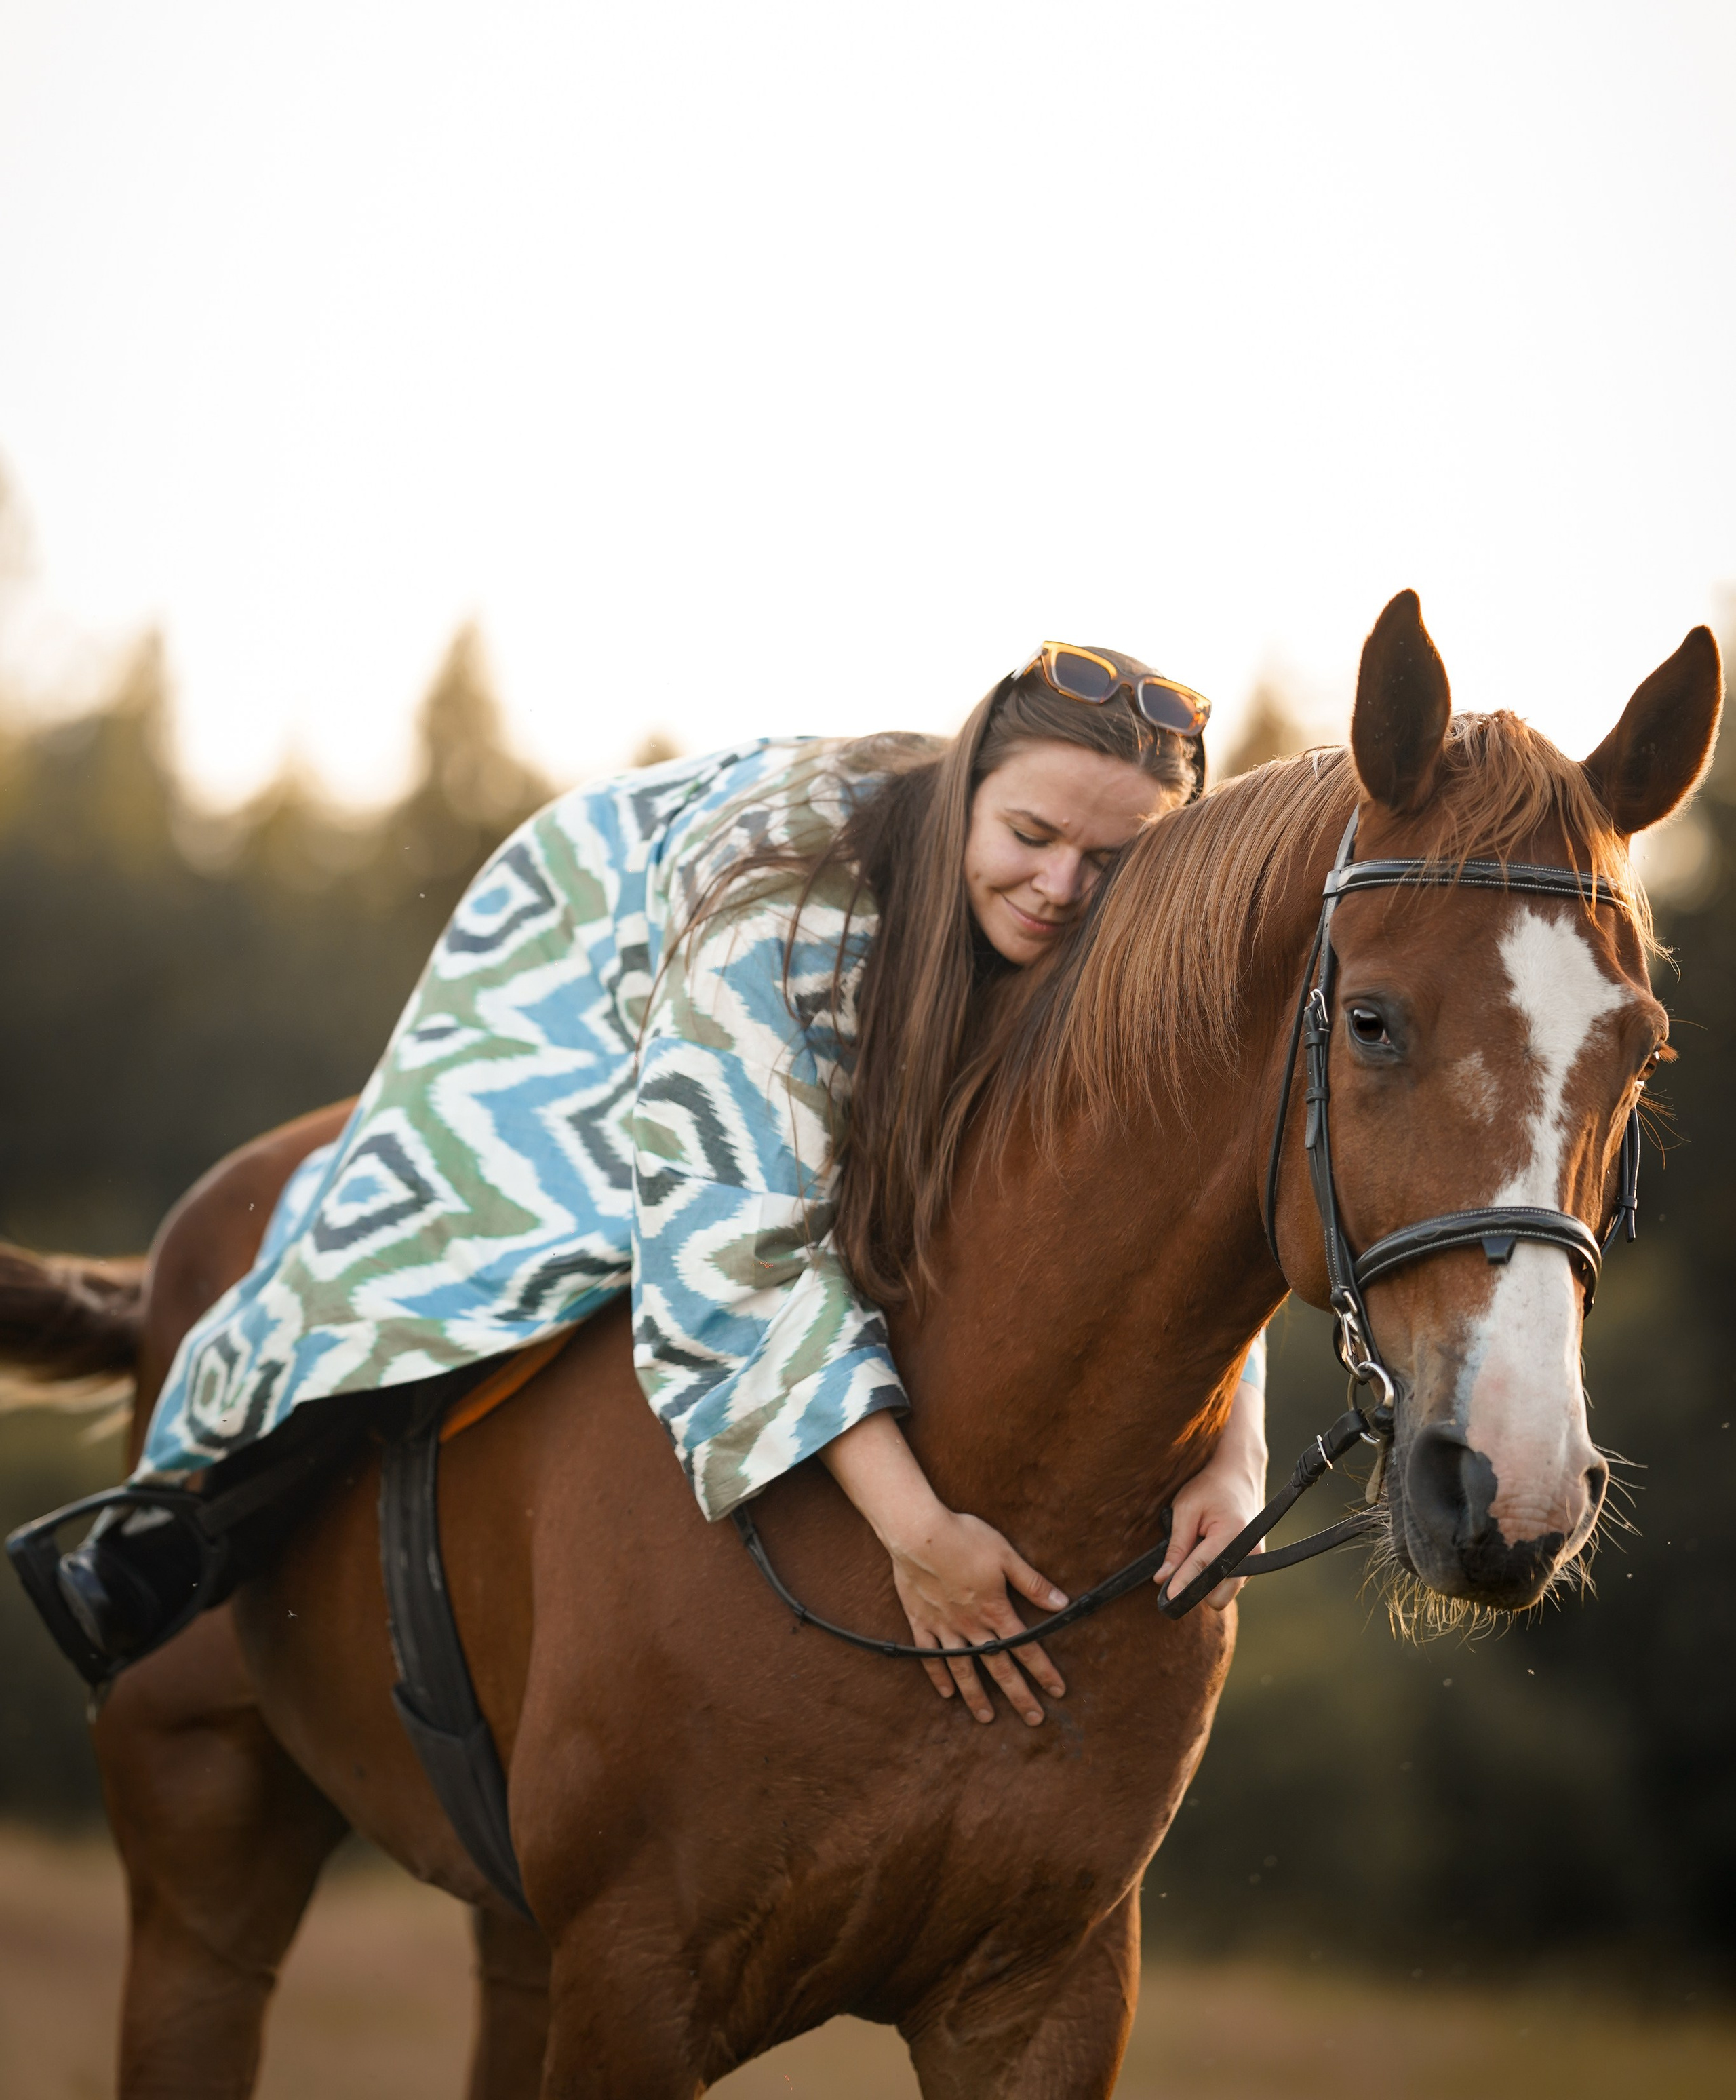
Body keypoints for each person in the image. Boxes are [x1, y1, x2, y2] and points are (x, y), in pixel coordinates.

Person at [45, 643, 1268, 1726]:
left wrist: (1236, 1453)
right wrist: (918, 1532)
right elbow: (732, 1243)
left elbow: (1175, 1189)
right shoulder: (792, 900)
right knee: (499, 1236)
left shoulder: (1114, 921)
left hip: (867, 988)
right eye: (1032, 838)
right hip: (601, 946)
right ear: (966, 795)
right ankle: (193, 1526)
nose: (1060, 889)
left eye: (1110, 863)